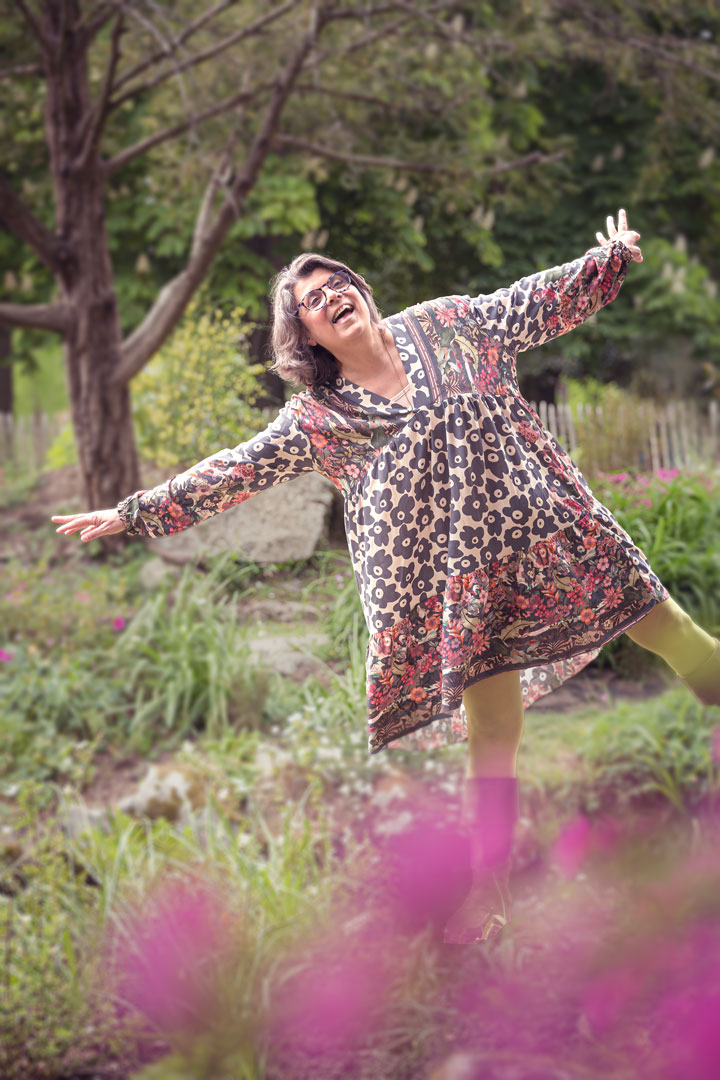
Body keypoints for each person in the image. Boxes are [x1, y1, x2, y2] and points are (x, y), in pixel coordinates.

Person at [53, 209, 720, 945]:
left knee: (672, 631)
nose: (331, 291)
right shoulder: (318, 418)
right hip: (458, 591)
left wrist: (608, 260)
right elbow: (236, 470)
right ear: (305, 334)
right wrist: (137, 512)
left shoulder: (450, 325)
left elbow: (536, 301)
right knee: (492, 743)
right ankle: (490, 897)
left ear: (360, 290)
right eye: (312, 297)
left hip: (553, 536)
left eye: (336, 278)